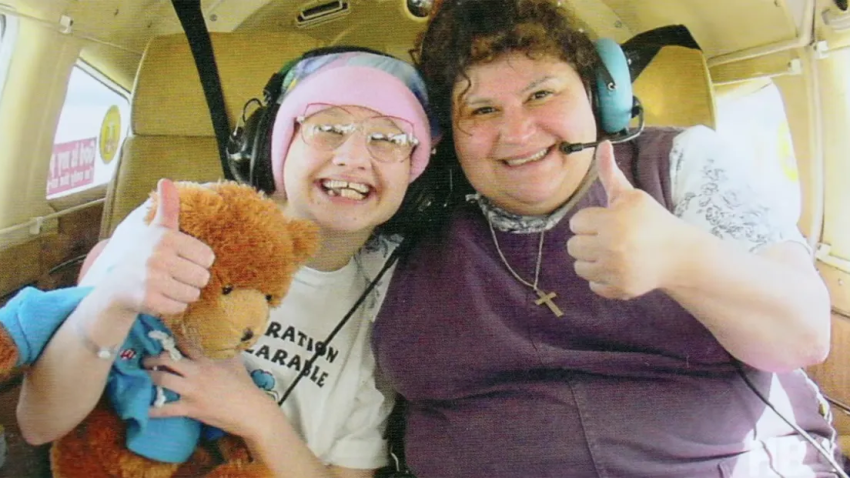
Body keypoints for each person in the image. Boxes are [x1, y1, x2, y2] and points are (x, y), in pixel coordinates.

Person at [370, 1, 841, 477]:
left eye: (541, 95)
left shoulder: (680, 164)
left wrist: (685, 260)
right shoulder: (412, 219)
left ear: (598, 97)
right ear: (447, 136)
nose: (517, 133)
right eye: (483, 109)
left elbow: (803, 338)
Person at [16, 47, 439, 478]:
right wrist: (111, 299)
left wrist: (257, 417)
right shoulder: (178, 219)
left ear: (415, 172)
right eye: (328, 128)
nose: (353, 158)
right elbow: (38, 424)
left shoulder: (390, 310)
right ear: (274, 145)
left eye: (388, 138)